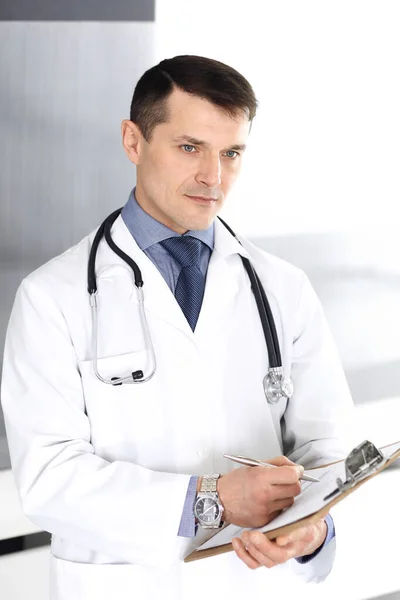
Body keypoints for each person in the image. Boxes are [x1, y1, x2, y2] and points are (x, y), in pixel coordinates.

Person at [1, 55, 353, 600]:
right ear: (133, 141)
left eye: (231, 153)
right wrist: (207, 500)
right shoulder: (53, 297)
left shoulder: (283, 288)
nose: (213, 177)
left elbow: (327, 453)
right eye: (190, 148)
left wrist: (311, 529)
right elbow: (50, 478)